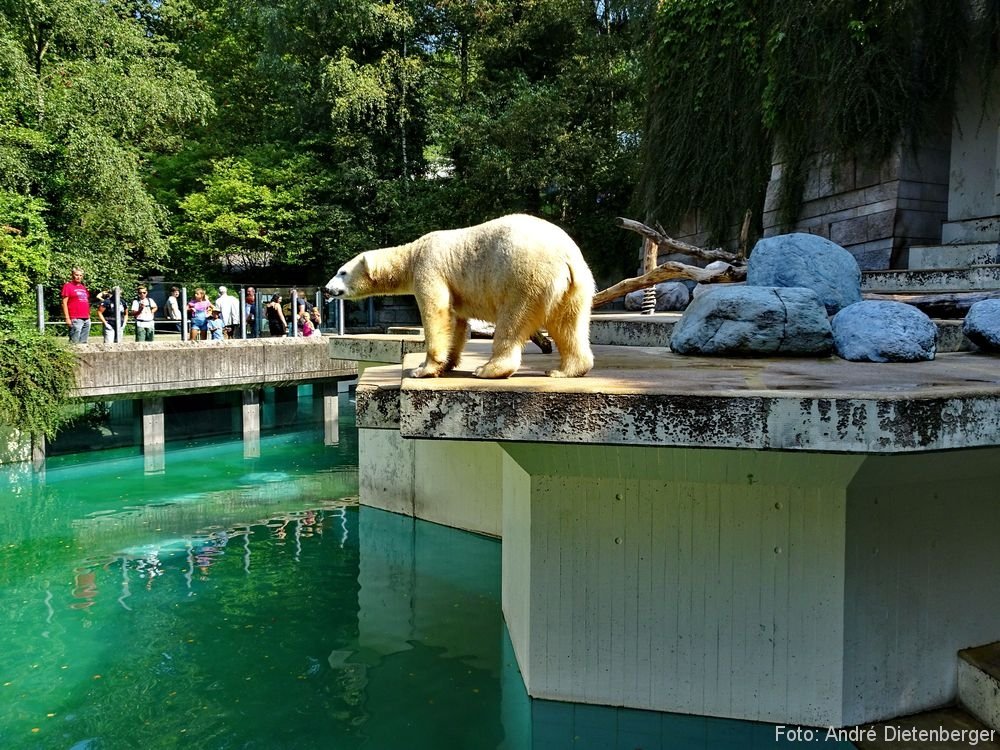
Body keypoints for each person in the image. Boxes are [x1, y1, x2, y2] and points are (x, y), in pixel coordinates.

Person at [61, 267, 91, 343]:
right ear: (72, 275)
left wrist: (88, 315)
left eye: (80, 275)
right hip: (75, 317)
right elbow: (64, 303)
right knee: (74, 342)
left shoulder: (83, 287)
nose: (79, 277)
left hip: (86, 317)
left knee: (84, 342)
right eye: (77, 275)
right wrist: (67, 318)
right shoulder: (68, 286)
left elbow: (85, 301)